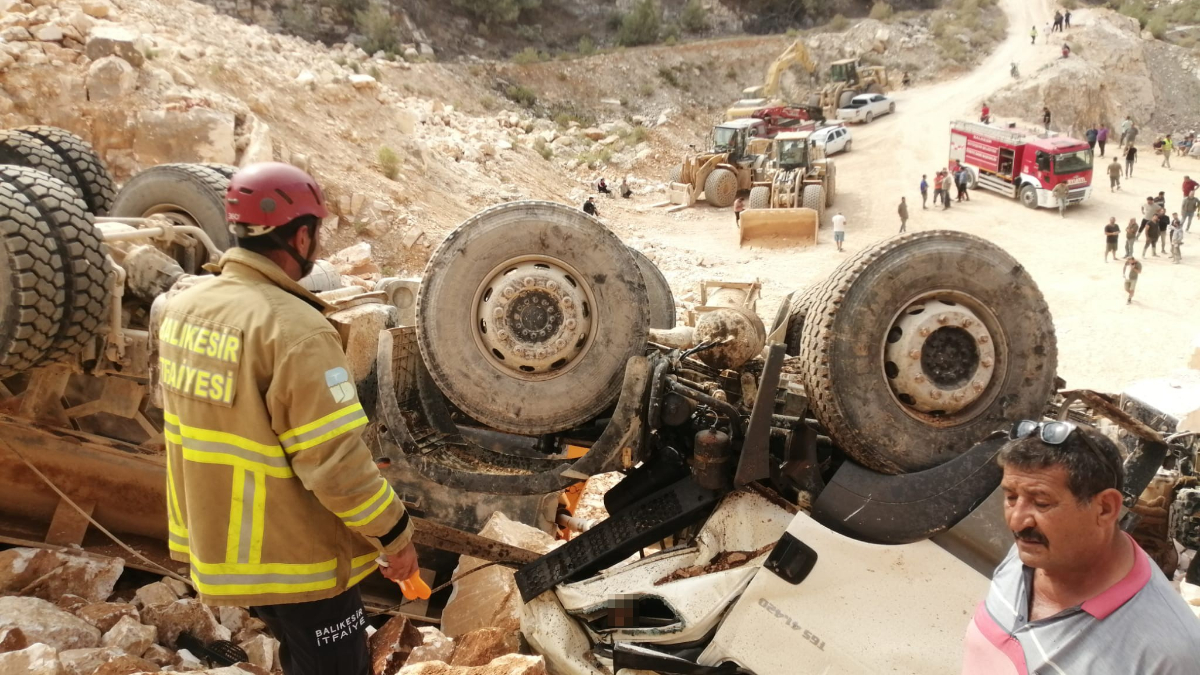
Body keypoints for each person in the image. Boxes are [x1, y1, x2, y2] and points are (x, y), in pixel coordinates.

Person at [158, 163, 419, 675]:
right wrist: (395, 534)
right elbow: (336, 463)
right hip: (296, 561)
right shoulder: (296, 330)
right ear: (301, 236)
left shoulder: (184, 308)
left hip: (224, 548)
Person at [962, 420, 1200, 672]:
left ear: (1105, 508)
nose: (1017, 521)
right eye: (1011, 497)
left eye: (1041, 503)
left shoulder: (1170, 655)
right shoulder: (1032, 552)